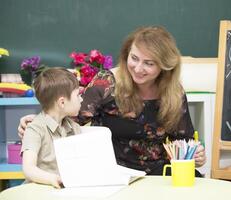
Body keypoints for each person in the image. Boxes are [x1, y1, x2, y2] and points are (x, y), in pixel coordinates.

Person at [18, 26, 206, 176]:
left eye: (149, 63)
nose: (138, 68)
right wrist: (38, 123)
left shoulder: (174, 92)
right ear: (126, 54)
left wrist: (196, 155)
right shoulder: (106, 82)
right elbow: (67, 118)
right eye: (134, 58)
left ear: (164, 67)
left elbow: (183, 143)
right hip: (114, 173)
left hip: (162, 174)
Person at [21, 67, 82, 188]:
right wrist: (52, 178)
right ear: (62, 103)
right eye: (78, 95)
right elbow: (28, 169)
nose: (81, 99)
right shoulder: (35, 129)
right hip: (41, 191)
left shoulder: (74, 127)